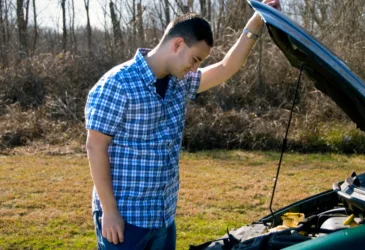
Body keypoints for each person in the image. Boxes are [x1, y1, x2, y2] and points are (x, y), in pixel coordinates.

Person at [85, 0, 281, 249]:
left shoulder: (180, 82)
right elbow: (95, 147)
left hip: (163, 219)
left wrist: (255, 22)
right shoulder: (117, 84)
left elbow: (225, 68)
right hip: (124, 222)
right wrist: (110, 212)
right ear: (177, 44)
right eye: (195, 58)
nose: (195, 67)